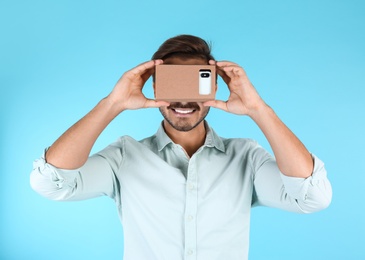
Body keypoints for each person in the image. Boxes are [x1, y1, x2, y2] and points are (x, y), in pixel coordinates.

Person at [30, 35, 332, 260]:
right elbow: (50, 182)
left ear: (214, 86)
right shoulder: (124, 156)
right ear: (155, 87)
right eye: (174, 84)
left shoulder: (246, 158)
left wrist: (258, 109)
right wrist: (113, 104)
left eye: (197, 84)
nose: (184, 101)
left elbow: (311, 197)